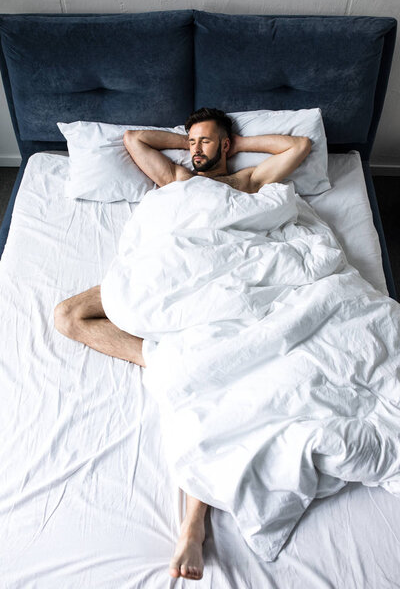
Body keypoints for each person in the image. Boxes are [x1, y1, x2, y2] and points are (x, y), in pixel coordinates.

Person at [54, 107, 312, 581]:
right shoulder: (174, 179)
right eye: (191, 142)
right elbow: (133, 139)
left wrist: (235, 146)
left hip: (221, 279)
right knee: (67, 316)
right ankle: (167, 361)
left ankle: (193, 525)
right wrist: (188, 142)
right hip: (165, 274)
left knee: (203, 394)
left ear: (227, 147)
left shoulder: (246, 181)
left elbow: (299, 148)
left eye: (207, 142)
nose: (195, 149)